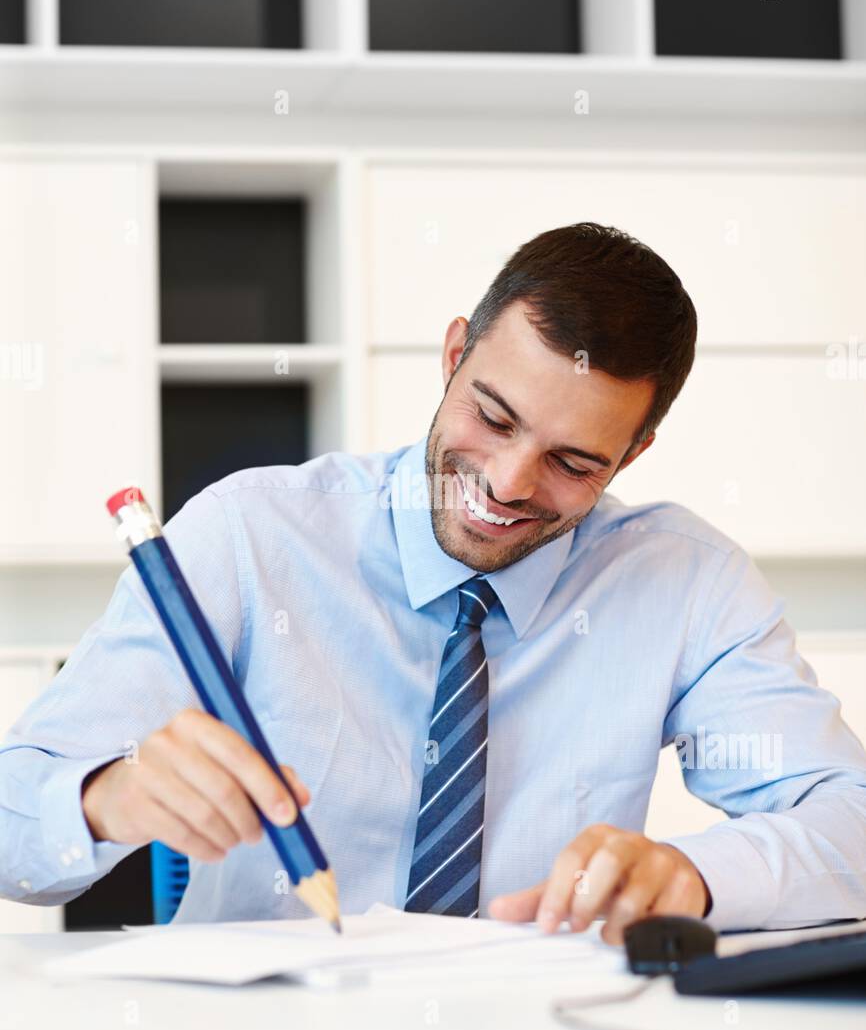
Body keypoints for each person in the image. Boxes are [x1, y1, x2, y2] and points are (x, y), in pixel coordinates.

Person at [3, 223, 865, 941]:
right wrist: (105, 799)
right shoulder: (250, 536)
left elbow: (850, 822)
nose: (508, 483)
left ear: (631, 454)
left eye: (573, 462)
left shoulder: (686, 584)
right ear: (454, 355)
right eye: (493, 416)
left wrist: (695, 876)